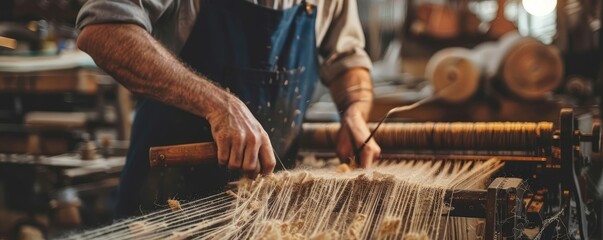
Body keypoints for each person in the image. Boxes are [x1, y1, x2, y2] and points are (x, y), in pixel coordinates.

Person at [76, 0, 381, 218]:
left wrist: (354, 111)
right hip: (166, 208)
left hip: (266, 212)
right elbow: (103, 28)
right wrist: (218, 104)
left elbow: (347, 62)